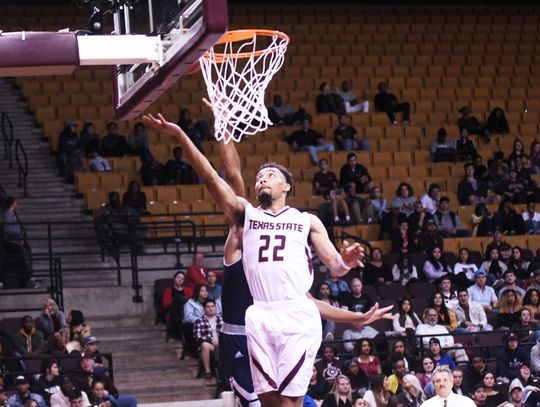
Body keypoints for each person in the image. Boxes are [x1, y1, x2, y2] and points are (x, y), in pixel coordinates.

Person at [142, 112, 383, 406]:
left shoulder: (307, 220)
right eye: (258, 177)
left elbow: (334, 267)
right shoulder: (246, 217)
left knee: (289, 403)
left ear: (286, 187)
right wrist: (181, 136)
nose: (261, 179)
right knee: (267, 402)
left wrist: (344, 260)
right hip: (258, 317)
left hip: (295, 315)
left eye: (269, 175)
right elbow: (211, 176)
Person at [2, 197, 32, 289]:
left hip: (14, 242)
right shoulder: (8, 214)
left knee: (11, 262)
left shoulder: (12, 214)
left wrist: (21, 236)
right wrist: (18, 234)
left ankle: (22, 282)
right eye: (15, 202)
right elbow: (8, 229)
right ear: (12, 203)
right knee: (20, 262)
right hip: (11, 242)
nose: (16, 203)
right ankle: (27, 280)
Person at [194, 299, 223, 379]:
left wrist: (219, 340)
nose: (210, 308)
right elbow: (197, 336)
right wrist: (210, 339)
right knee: (204, 345)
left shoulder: (221, 319)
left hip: (221, 343)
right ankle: (208, 371)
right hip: (209, 344)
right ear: (204, 309)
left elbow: (226, 333)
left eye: (212, 306)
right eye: (208, 307)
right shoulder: (199, 321)